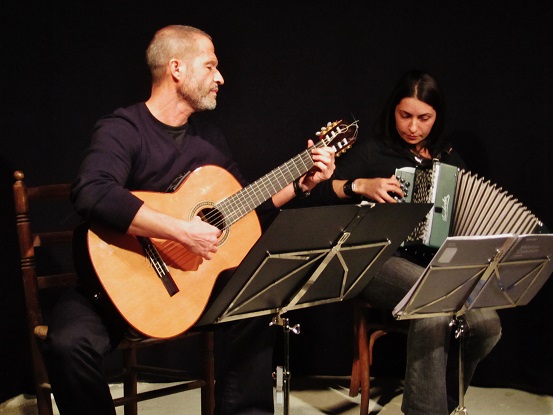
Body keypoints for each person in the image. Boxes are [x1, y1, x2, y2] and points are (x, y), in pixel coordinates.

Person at [43, 25, 336, 415]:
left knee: (255, 299)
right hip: (114, 287)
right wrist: (180, 230)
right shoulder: (123, 129)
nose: (220, 77)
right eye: (211, 66)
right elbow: (92, 191)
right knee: (66, 344)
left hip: (187, 292)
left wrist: (301, 183)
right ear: (176, 68)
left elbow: (243, 207)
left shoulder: (208, 141)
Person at [314, 70, 502, 415]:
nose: (413, 127)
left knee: (486, 324)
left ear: (437, 117)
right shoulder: (374, 152)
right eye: (405, 115)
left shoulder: (448, 158)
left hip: (434, 264)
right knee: (433, 303)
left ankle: (441, 405)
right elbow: (321, 194)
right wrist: (360, 185)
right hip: (377, 261)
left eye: (423, 118)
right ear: (393, 112)